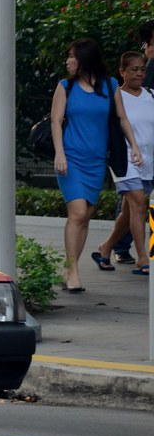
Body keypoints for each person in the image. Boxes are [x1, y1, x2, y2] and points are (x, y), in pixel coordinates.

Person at [51, 38, 141, 292]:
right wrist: (60, 153)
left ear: (85, 59)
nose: (68, 61)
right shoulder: (65, 86)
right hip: (70, 160)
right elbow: (56, 121)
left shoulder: (110, 85)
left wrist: (133, 145)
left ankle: (70, 269)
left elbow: (121, 118)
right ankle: (75, 273)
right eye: (68, 56)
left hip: (97, 161)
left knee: (86, 217)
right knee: (77, 213)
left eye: (72, 56)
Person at [94, 51, 154, 275]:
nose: (139, 73)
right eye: (134, 69)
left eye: (142, 69)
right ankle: (142, 258)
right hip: (124, 158)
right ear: (122, 72)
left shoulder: (151, 95)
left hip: (147, 158)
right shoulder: (117, 96)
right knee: (138, 203)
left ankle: (106, 247)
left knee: (130, 210)